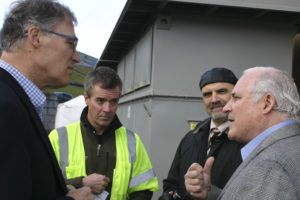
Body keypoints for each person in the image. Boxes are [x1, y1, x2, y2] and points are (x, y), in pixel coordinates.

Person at [0, 0, 94, 199]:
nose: (77, 57)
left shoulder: (16, 100)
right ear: (36, 36)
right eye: (71, 44)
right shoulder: (5, 106)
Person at [185, 66, 300, 200]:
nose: (227, 108)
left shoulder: (272, 164)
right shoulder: (287, 147)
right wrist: (210, 194)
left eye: (236, 98)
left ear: (267, 103)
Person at [49, 67, 160, 199]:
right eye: (100, 101)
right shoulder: (58, 138)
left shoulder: (132, 141)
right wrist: (82, 182)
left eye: (113, 101)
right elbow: (43, 185)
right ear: (86, 98)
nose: (107, 109)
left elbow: (144, 189)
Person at [161, 68, 244, 200]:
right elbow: (171, 184)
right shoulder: (190, 138)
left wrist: (211, 195)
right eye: (207, 94)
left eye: (221, 91)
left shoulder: (248, 140)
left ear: (236, 95)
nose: (214, 99)